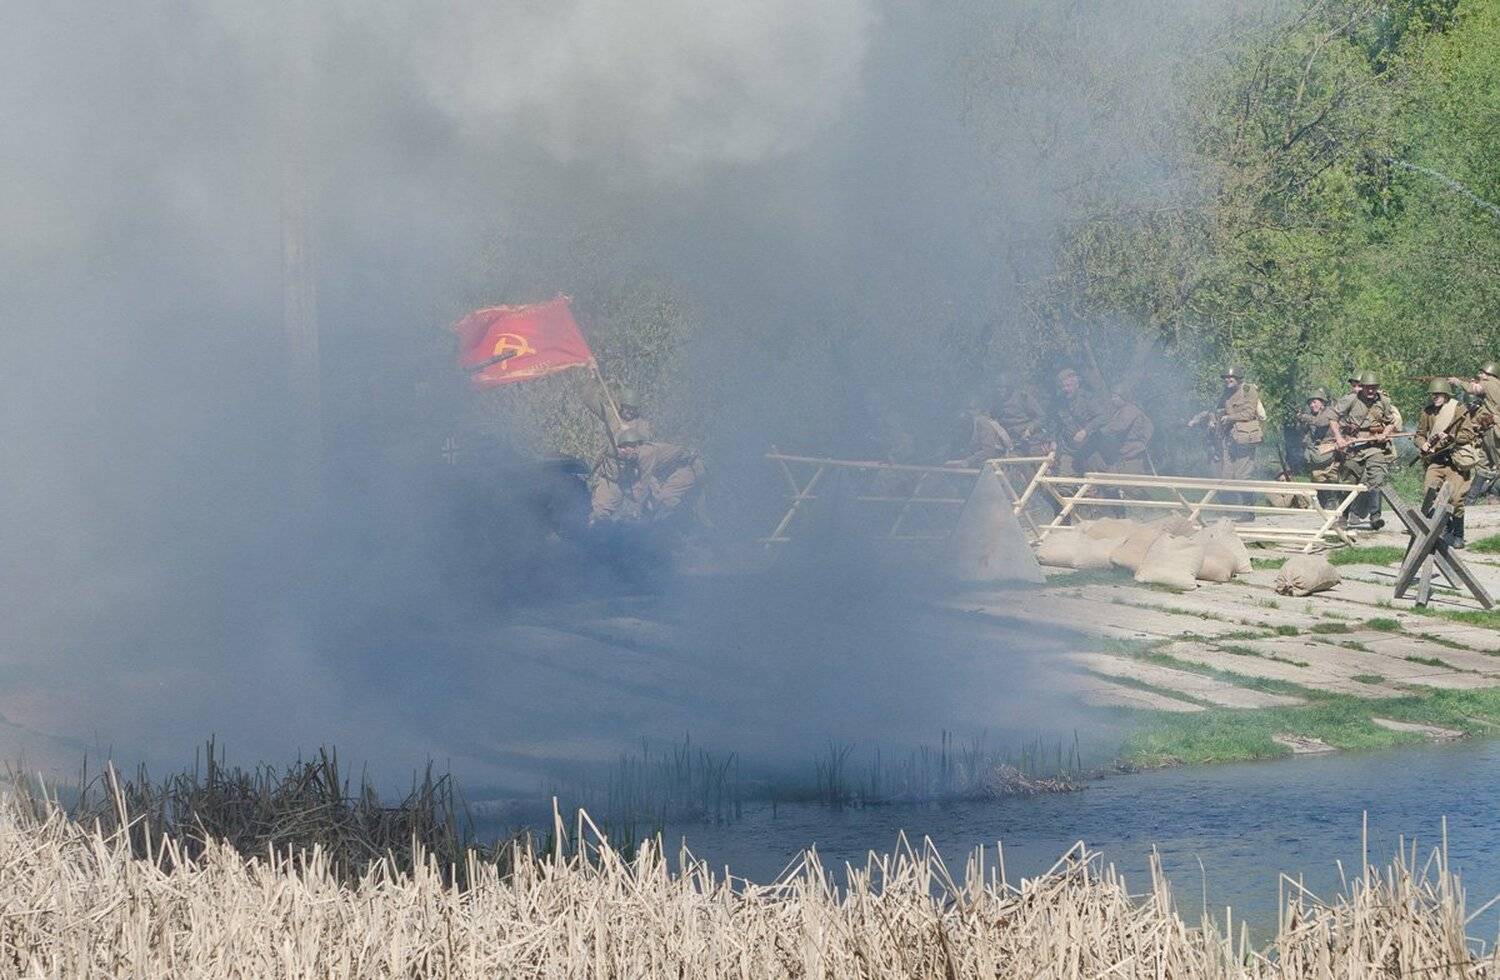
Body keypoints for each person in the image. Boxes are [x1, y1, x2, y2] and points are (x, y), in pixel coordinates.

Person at [589, 425, 703, 527]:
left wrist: (634, 510)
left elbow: (644, 483)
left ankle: (672, 531)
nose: (622, 451)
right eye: (621, 447)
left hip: (686, 468)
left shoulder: (646, 454)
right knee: (651, 502)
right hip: (663, 472)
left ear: (635, 446)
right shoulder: (630, 454)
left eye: (626, 447)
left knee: (664, 500)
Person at [1415, 378, 1483, 548]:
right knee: (1429, 493)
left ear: (1446, 395)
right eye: (1433, 395)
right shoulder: (1427, 412)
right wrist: (1422, 443)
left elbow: (1468, 435)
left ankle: (1458, 534)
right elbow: (1419, 434)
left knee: (1456, 498)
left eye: (1439, 394)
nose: (1435, 397)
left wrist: (1452, 437)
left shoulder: (1459, 410)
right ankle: (1442, 530)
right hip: (1436, 459)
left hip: (1455, 459)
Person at [1331, 371, 1399, 530]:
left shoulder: (1384, 402)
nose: (1370, 391)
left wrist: (1385, 433)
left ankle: (1375, 516)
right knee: (1349, 481)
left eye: (1374, 388)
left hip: (1375, 446)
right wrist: (1339, 438)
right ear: (1362, 387)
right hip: (1354, 446)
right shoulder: (1351, 399)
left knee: (1377, 477)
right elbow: (1333, 418)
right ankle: (1343, 516)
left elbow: (1391, 422)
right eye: (1367, 388)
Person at [1451, 361, 1499, 504]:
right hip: (1489, 428)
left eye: (1481, 373)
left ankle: (1492, 494)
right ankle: (1470, 500)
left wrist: (1458, 382)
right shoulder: (1495, 384)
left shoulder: (1490, 382)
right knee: (1483, 464)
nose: (1479, 375)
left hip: (1494, 428)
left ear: (1488, 374)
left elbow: (1474, 390)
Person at [1052, 368, 1110, 477]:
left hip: (1090, 447)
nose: (1065, 389)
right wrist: (1053, 440)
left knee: (1102, 479)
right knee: (1064, 482)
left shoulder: (1088, 399)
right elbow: (1056, 424)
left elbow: (1103, 417)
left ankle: (1117, 493)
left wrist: (1085, 431)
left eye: (1068, 386)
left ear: (1076, 385)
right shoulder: (1059, 403)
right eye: (1062, 386)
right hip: (1068, 449)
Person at [1296, 387, 1338, 508]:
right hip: (1316, 451)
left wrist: (1305, 418)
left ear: (1322, 402)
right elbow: (1304, 433)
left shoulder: (1329, 412)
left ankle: (1332, 500)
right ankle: (1323, 501)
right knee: (1317, 477)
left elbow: (1321, 422)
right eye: (1310, 403)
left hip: (1330, 448)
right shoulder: (1310, 415)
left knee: (1331, 476)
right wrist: (1299, 420)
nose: (1312, 405)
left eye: (1315, 402)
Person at [946, 402, 1013, 467]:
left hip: (996, 466)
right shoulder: (972, 423)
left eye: (970, 408)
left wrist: (967, 461)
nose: (967, 411)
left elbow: (989, 451)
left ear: (979, 410)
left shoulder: (982, 422)